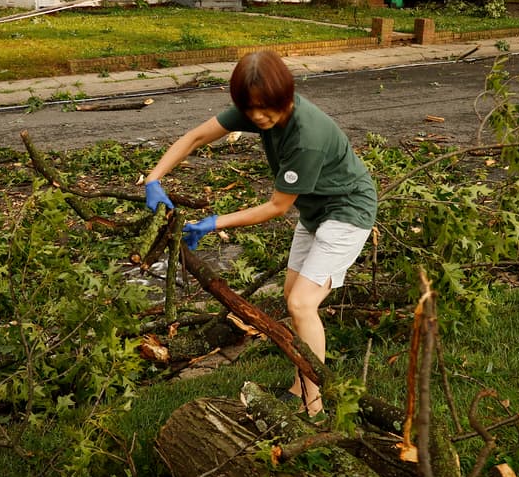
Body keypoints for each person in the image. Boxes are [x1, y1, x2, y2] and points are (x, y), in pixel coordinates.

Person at [144, 49, 377, 416]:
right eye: (248, 109)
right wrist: (154, 179)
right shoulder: (260, 107)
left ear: (284, 95)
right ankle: (299, 386)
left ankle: (313, 404)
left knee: (302, 304)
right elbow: (195, 138)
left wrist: (213, 222)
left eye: (263, 108)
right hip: (316, 211)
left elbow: (276, 207)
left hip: (347, 211)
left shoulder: (306, 136)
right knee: (291, 298)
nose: (256, 116)